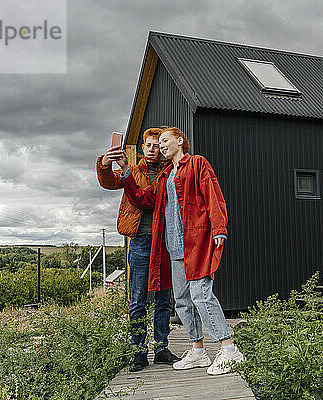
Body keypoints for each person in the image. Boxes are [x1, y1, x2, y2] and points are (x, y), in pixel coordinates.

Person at [114, 126, 245, 375]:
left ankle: (229, 349)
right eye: (158, 142)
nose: (161, 145)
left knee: (201, 295)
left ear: (180, 140)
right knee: (182, 300)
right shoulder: (164, 177)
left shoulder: (197, 163)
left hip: (196, 241)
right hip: (173, 246)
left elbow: (213, 195)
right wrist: (125, 169)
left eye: (165, 140)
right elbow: (143, 199)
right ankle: (197, 351)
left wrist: (219, 229)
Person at [96, 127, 181, 372]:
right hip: (141, 241)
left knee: (164, 299)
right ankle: (138, 352)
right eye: (149, 146)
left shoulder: (169, 173)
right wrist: (104, 162)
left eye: (158, 145)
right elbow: (109, 182)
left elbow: (148, 199)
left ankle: (161, 348)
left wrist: (124, 170)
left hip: (163, 242)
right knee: (137, 300)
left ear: (163, 148)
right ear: (143, 148)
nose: (153, 150)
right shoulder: (132, 170)